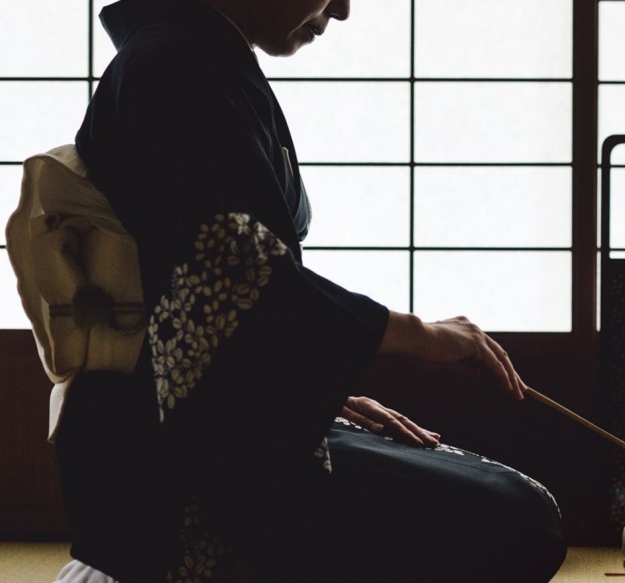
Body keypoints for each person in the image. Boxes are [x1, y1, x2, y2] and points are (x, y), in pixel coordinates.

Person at [47, 0, 567, 581]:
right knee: (520, 522)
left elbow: (212, 308)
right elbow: (237, 277)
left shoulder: (184, 58)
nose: (342, 10)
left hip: (204, 413)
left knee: (503, 493)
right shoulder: (177, 67)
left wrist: (306, 391)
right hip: (183, 464)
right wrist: (424, 335)